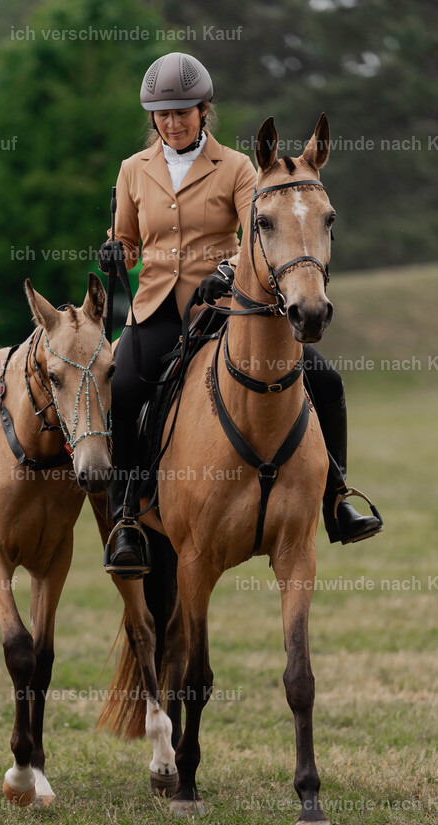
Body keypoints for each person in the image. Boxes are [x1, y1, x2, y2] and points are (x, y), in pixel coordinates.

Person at [99, 51, 382, 575]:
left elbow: (261, 235)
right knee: (123, 389)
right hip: (159, 306)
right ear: (153, 119)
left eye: (183, 111)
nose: (173, 122)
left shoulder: (237, 167)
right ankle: (126, 518)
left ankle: (337, 498)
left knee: (328, 381)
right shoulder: (132, 171)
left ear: (204, 110)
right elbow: (129, 242)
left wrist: (227, 272)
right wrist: (117, 250)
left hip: (224, 308)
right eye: (163, 114)